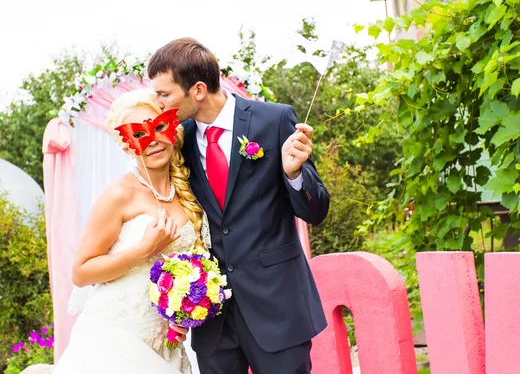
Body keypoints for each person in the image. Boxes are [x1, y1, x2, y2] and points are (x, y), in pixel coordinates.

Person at [148, 38, 330, 374]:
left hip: (277, 310)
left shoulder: (274, 120)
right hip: (212, 319)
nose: (156, 102)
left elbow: (316, 211)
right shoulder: (178, 140)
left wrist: (293, 175)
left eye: (164, 94)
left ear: (198, 90)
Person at [53, 89, 209, 374]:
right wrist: (143, 251)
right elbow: (81, 271)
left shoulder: (191, 192)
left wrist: (183, 312)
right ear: (126, 145)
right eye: (139, 134)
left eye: (159, 127)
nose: (153, 141)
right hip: (115, 339)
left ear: (171, 127)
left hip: (166, 344)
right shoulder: (119, 193)